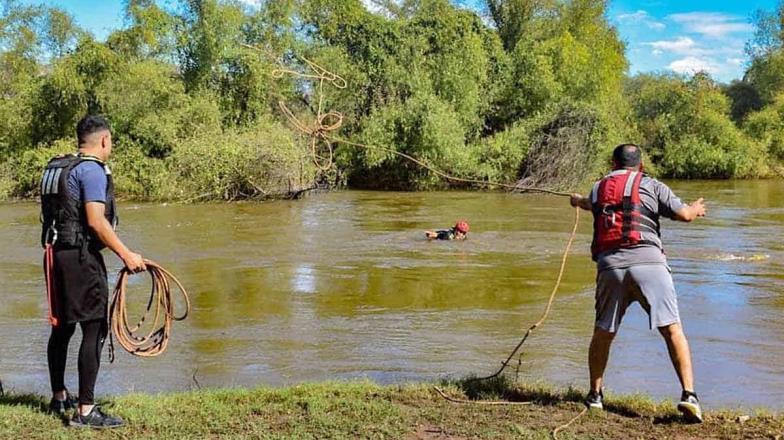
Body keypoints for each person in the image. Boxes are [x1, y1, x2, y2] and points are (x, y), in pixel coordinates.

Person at [569, 144, 707, 423]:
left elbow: (588, 203)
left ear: (612, 163)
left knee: (603, 332)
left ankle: (595, 396)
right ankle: (689, 395)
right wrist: (696, 208)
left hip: (611, 268)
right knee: (672, 330)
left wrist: (576, 200)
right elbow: (684, 215)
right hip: (650, 266)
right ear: (640, 165)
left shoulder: (598, 188)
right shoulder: (651, 185)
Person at [40, 115, 146, 428]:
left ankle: (59, 397)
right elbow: (96, 221)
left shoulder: (59, 166)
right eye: (110, 141)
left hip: (54, 254)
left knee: (62, 328)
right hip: (81, 257)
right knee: (94, 327)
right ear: (104, 141)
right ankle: (86, 411)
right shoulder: (92, 171)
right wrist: (127, 254)